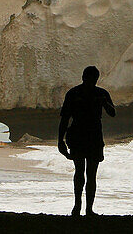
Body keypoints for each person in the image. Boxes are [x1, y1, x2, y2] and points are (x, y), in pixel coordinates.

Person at [58, 65, 116, 216]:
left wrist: (61, 140)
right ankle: (82, 207)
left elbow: (112, 112)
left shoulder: (81, 93)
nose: (91, 81)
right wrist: (60, 141)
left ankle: (83, 207)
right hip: (85, 135)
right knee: (86, 172)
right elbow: (65, 118)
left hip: (86, 135)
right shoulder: (89, 93)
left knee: (86, 172)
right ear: (85, 77)